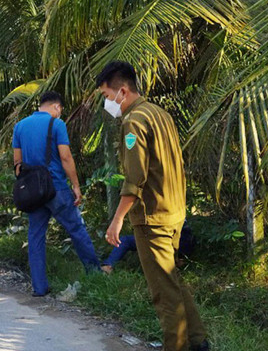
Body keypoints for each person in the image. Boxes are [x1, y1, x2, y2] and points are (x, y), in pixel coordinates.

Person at [97, 61, 208, 351]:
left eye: (108, 97)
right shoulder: (159, 113)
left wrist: (117, 219)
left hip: (152, 217)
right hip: (173, 212)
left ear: (122, 91)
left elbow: (135, 178)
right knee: (172, 282)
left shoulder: (133, 121)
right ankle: (197, 342)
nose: (108, 103)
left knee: (164, 294)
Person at [12, 91, 100, 296]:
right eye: (60, 110)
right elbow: (66, 157)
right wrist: (76, 185)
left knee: (35, 236)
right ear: (56, 107)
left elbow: (17, 163)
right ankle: (95, 275)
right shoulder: (57, 124)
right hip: (56, 188)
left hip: (34, 192)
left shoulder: (20, 126)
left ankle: (39, 287)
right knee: (76, 229)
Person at [101, 221, 196, 274]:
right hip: (182, 242)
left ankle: (107, 266)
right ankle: (177, 261)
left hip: (163, 241)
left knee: (125, 240)